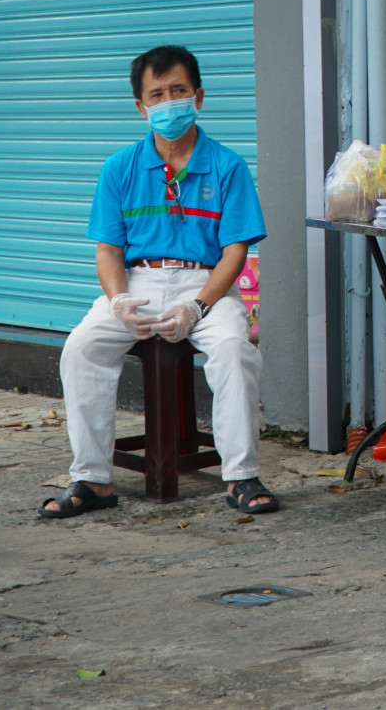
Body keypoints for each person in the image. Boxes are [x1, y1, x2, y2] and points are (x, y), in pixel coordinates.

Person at [42, 45, 277, 517]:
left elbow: (235, 254)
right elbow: (108, 251)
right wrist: (119, 300)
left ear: (199, 96)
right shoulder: (119, 168)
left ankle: (241, 477)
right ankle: (92, 480)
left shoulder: (228, 166)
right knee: (81, 348)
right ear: (140, 106)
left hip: (206, 285)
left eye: (178, 91)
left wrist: (197, 308)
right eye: (157, 94)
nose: (168, 102)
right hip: (138, 284)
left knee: (234, 351)